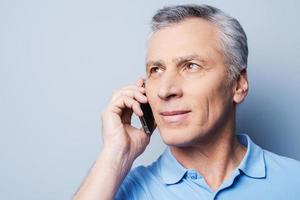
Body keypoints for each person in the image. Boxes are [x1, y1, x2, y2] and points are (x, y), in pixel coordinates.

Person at [73, 4, 300, 200]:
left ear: (238, 85)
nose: (165, 90)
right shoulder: (117, 190)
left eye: (191, 65)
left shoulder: (293, 182)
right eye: (156, 69)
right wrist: (116, 154)